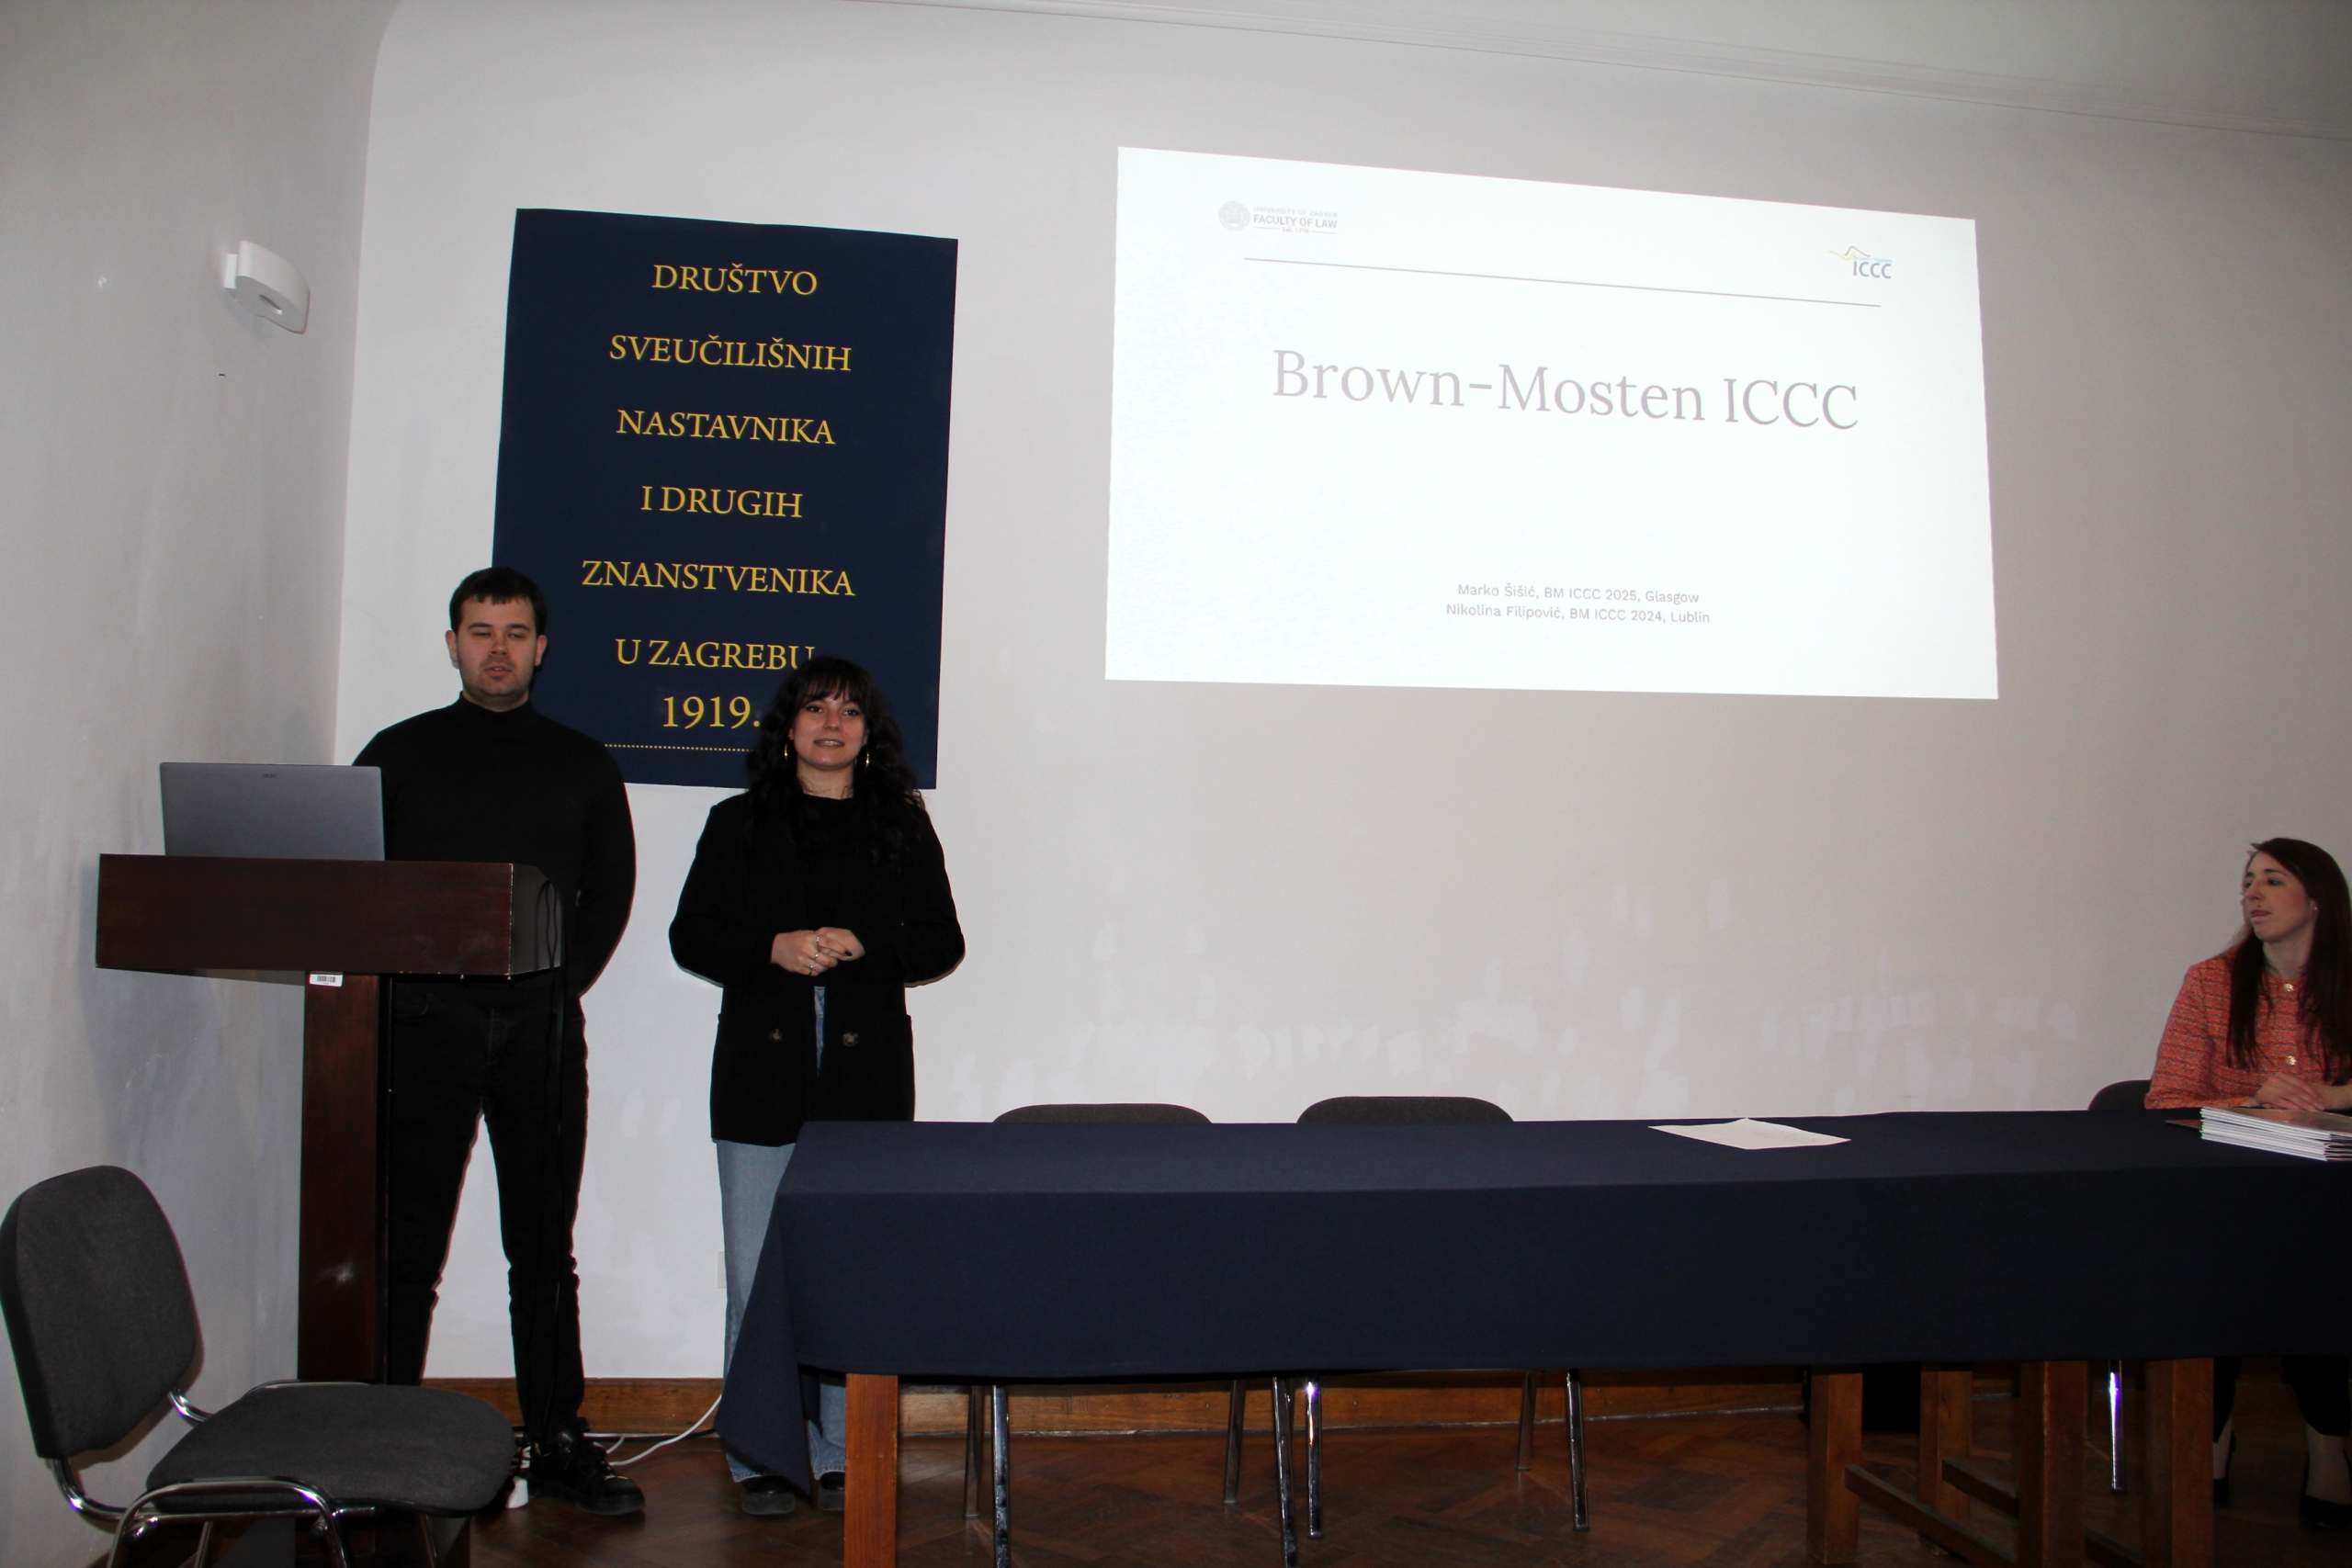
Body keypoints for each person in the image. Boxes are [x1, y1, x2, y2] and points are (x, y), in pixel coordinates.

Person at [355, 567, 642, 1515]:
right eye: (480, 632)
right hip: (420, 1026)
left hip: (540, 1031)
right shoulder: (395, 755)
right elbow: (353, 886)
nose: (498, 649)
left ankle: (556, 1439)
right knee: (406, 1249)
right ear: (452, 645)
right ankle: (378, 1443)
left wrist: (555, 988)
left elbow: (609, 892)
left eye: (515, 633)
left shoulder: (581, 762)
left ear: (540, 648)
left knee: (543, 1249)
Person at [670, 656, 963, 1517]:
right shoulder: (736, 823)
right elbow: (692, 935)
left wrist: (866, 944)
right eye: (815, 708)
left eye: (848, 711)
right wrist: (772, 947)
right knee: (756, 1273)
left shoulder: (902, 825)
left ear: (869, 733)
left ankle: (843, 1449)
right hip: (759, 1076)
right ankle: (760, 1449)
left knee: (853, 1269)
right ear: (787, 726)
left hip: (866, 1082)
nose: (831, 723)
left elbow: (942, 941)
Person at [2146, 837, 2352, 1529]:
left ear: (2317, 898)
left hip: (2331, 1182)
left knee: (2316, 1262)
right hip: (2230, 1185)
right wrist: (2255, 1101)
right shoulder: (2212, 981)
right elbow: (2167, 1098)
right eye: (2248, 882)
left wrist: (2335, 1094)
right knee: (2229, 1262)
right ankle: (2212, 1433)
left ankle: (2328, 1443)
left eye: (2273, 880)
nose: (2253, 895)